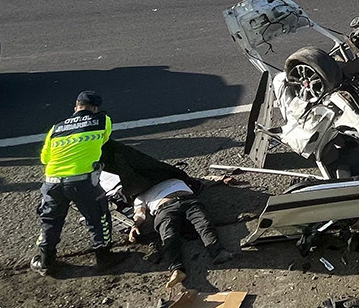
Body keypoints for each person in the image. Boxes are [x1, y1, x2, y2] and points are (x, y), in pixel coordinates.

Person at [100, 141, 233, 288]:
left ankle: (217, 251)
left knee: (204, 224)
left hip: (188, 201)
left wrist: (220, 179)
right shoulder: (140, 195)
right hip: (164, 209)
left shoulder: (169, 176)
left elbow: (201, 180)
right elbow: (140, 213)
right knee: (169, 235)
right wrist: (135, 225)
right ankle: (176, 268)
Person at [32, 90, 118, 276]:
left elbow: (45, 158)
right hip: (82, 182)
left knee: (50, 221)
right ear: (95, 108)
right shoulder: (103, 121)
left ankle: (46, 261)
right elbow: (104, 141)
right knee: (98, 217)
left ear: (75, 108)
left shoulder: (56, 128)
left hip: (52, 182)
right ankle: (104, 258)